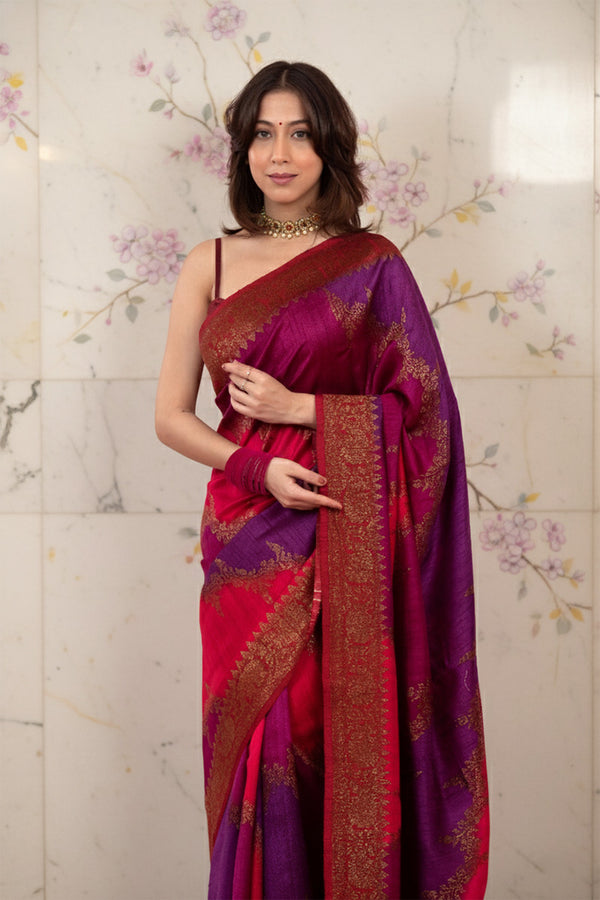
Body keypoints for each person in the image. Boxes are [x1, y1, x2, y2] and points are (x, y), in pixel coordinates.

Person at [155, 60, 489, 900]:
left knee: (321, 731)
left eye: (300, 133)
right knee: (258, 742)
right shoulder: (211, 262)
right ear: (242, 149)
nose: (280, 153)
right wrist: (259, 467)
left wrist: (306, 409)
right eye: (263, 133)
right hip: (245, 547)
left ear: (329, 146)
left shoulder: (371, 264)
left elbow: (429, 420)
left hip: (344, 539)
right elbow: (171, 418)